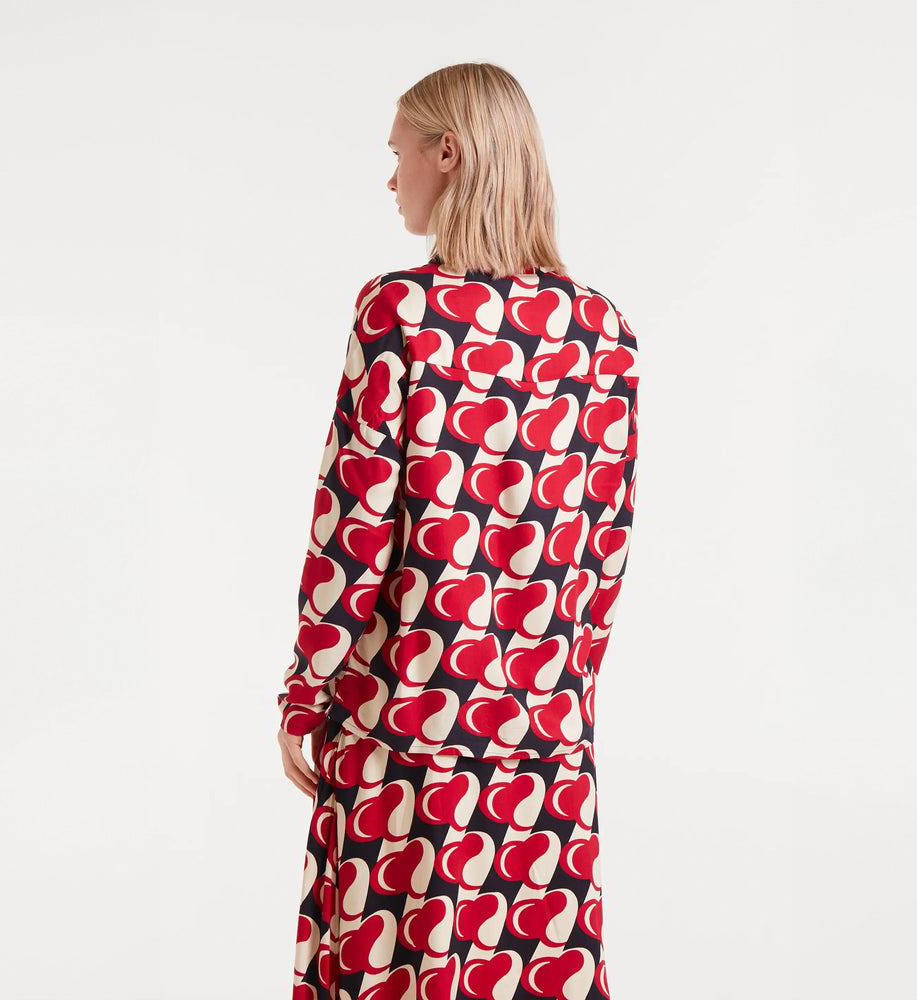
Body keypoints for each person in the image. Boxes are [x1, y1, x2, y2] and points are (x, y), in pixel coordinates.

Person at [277, 61, 638, 1000]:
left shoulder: (401, 312)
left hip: (406, 739)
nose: (390, 178)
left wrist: (305, 692)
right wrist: (556, 695)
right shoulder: (604, 332)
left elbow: (353, 528)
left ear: (448, 153)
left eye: (398, 153)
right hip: (544, 746)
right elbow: (605, 546)